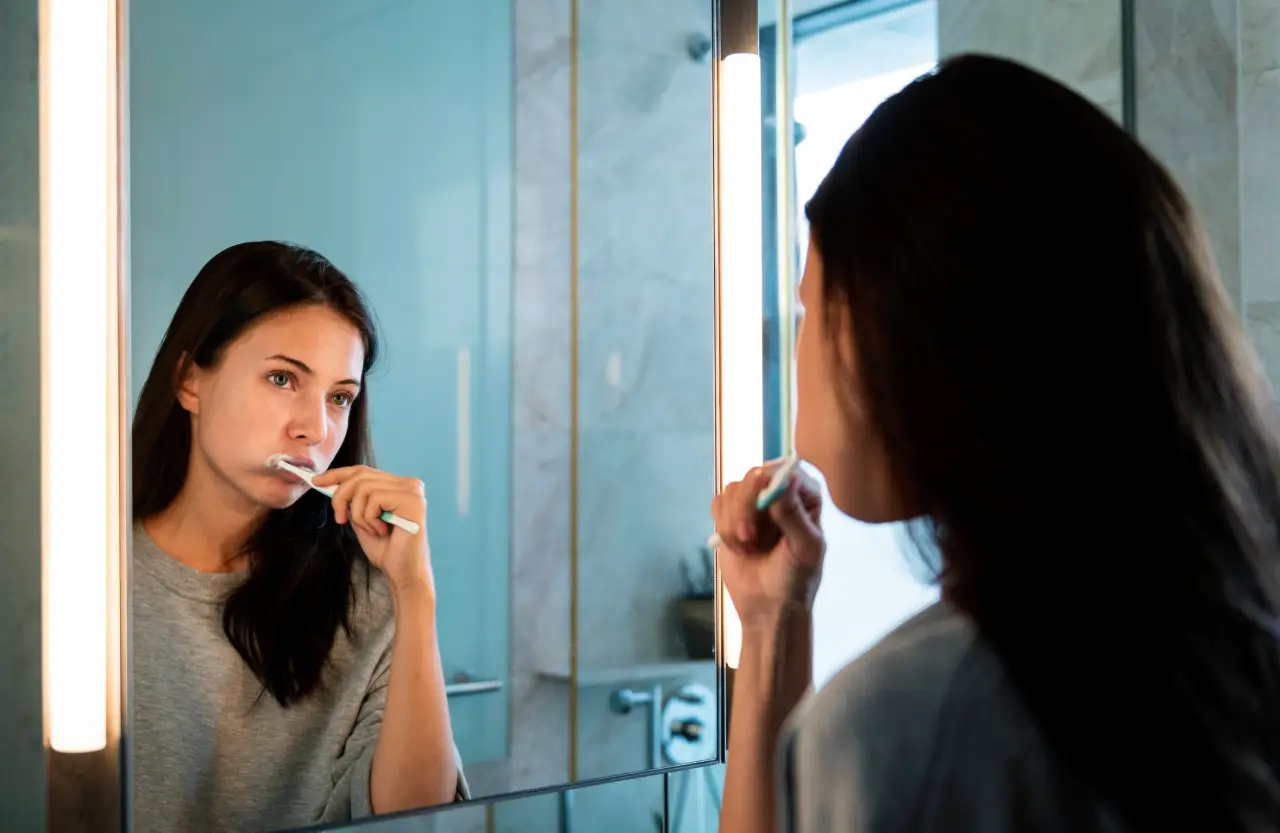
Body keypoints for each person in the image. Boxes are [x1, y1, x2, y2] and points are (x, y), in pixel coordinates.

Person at [712, 54, 1280, 833]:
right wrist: (776, 620)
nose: (798, 344)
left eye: (812, 304)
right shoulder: (1217, 642)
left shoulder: (910, 723)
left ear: (909, 334)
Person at [131, 241, 468, 833]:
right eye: (283, 378)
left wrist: (415, 592)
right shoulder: (81, 578)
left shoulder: (370, 599)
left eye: (339, 397)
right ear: (190, 381)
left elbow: (415, 819)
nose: (314, 428)